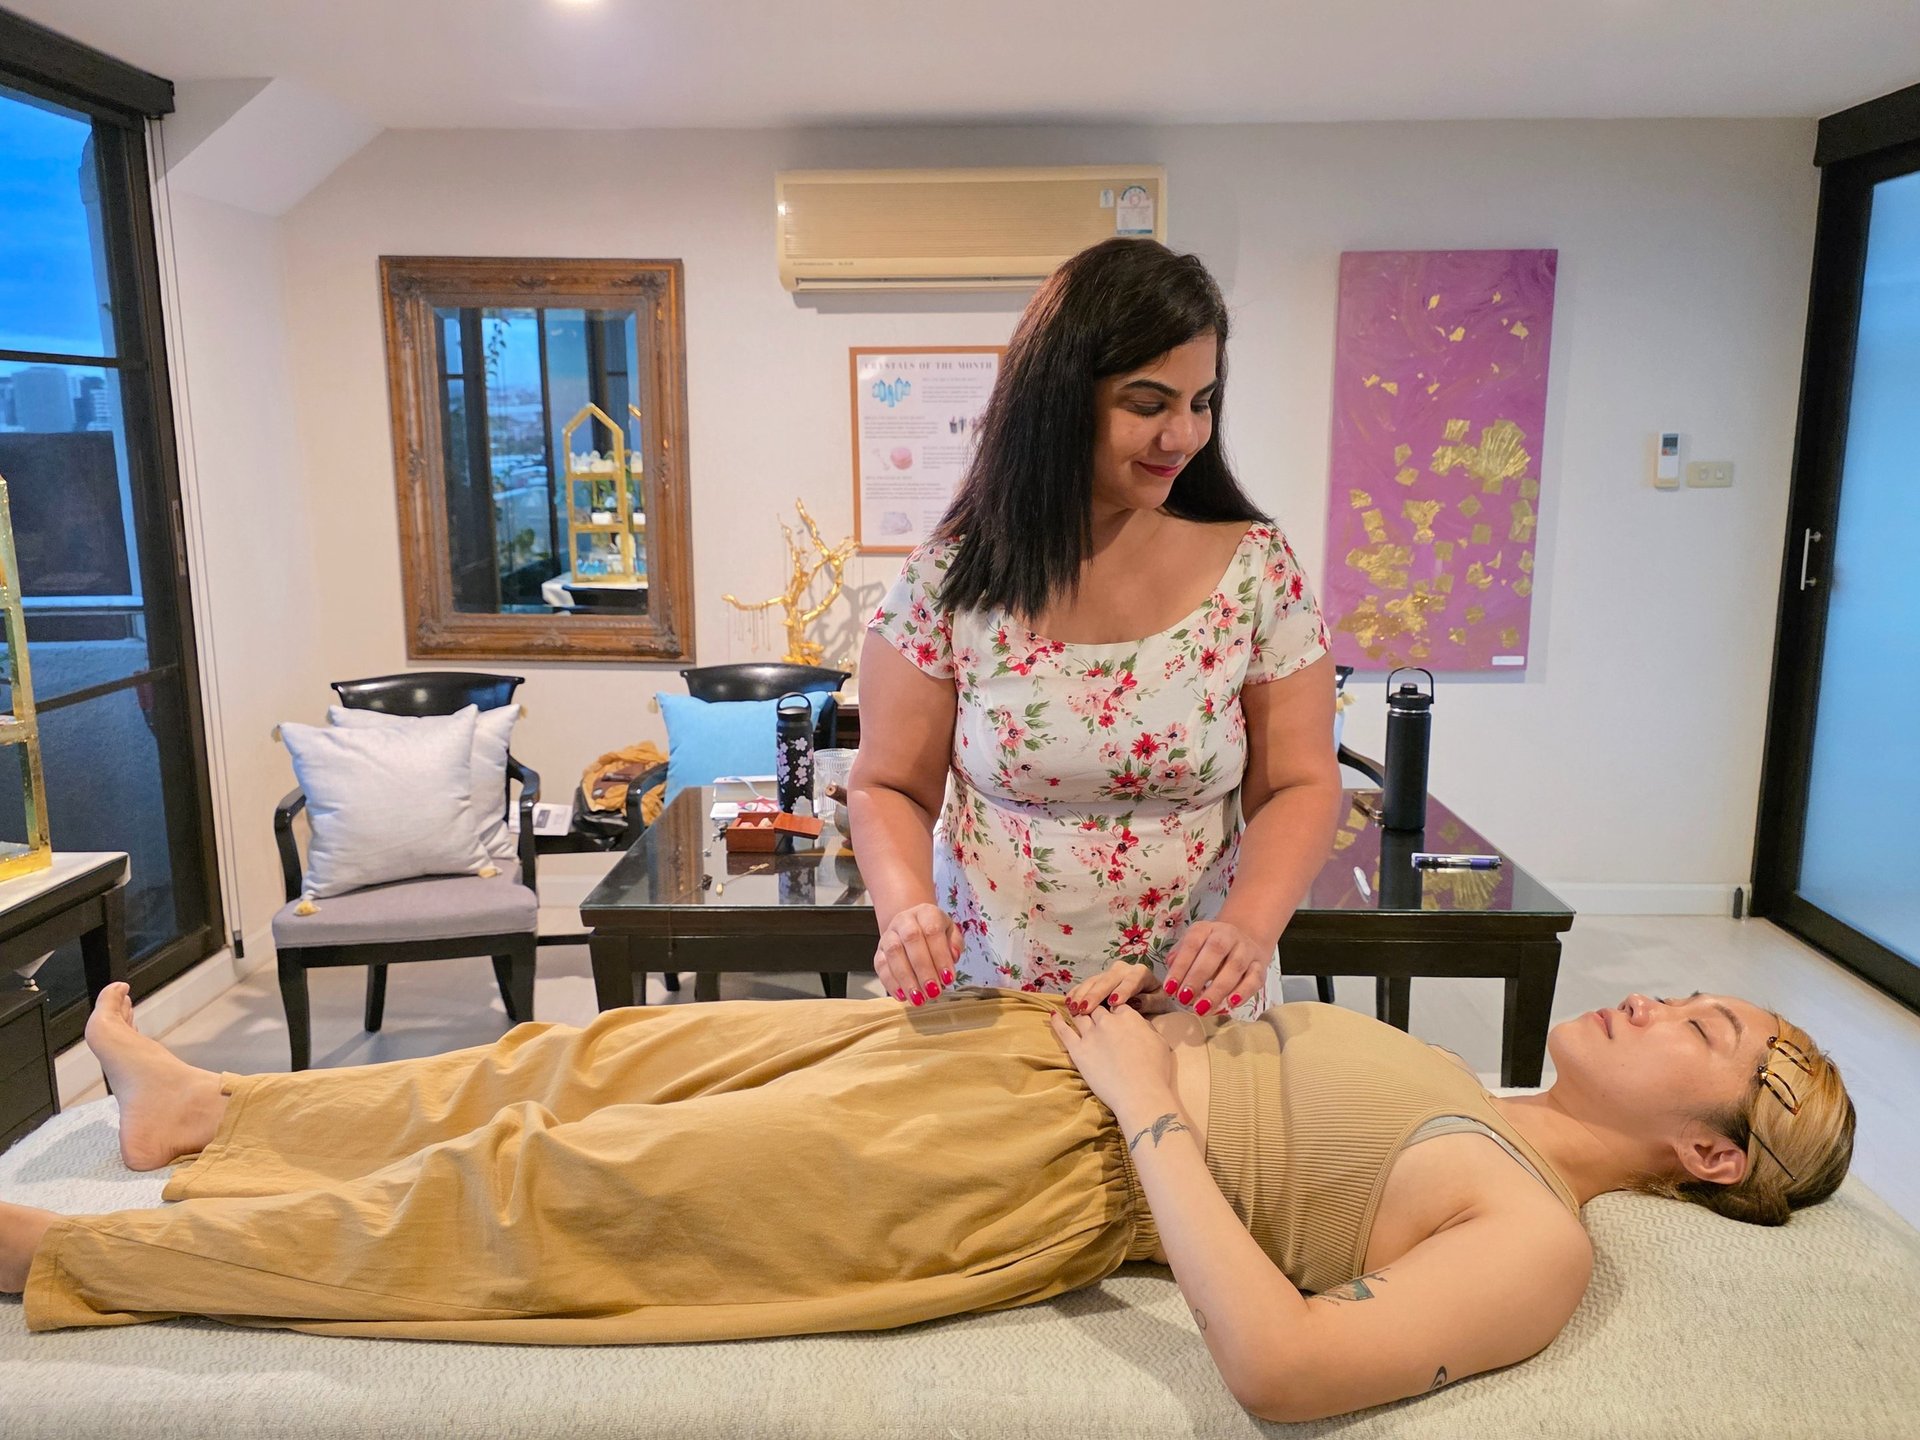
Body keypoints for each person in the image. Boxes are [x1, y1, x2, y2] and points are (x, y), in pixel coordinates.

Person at [1, 980, 1853, 1423]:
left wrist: (1148, 1118)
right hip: (1003, 1040)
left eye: (1705, 1032)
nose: (1658, 1005)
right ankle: (215, 1101)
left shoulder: (1538, 1237)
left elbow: (1287, 1372)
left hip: (1030, 1158)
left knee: (555, 1190)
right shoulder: (1468, 1072)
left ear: (1712, 1154)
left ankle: (91, 1250)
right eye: (1698, 991)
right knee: (580, 1061)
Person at [852, 237, 1340, 1019]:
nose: (1182, 436)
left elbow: (1300, 783)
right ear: (1058, 401)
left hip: (1188, 995)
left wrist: (1247, 929)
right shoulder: (948, 580)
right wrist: (905, 908)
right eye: (1147, 404)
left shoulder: (1255, 570)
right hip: (996, 993)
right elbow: (888, 784)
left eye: (1201, 402)